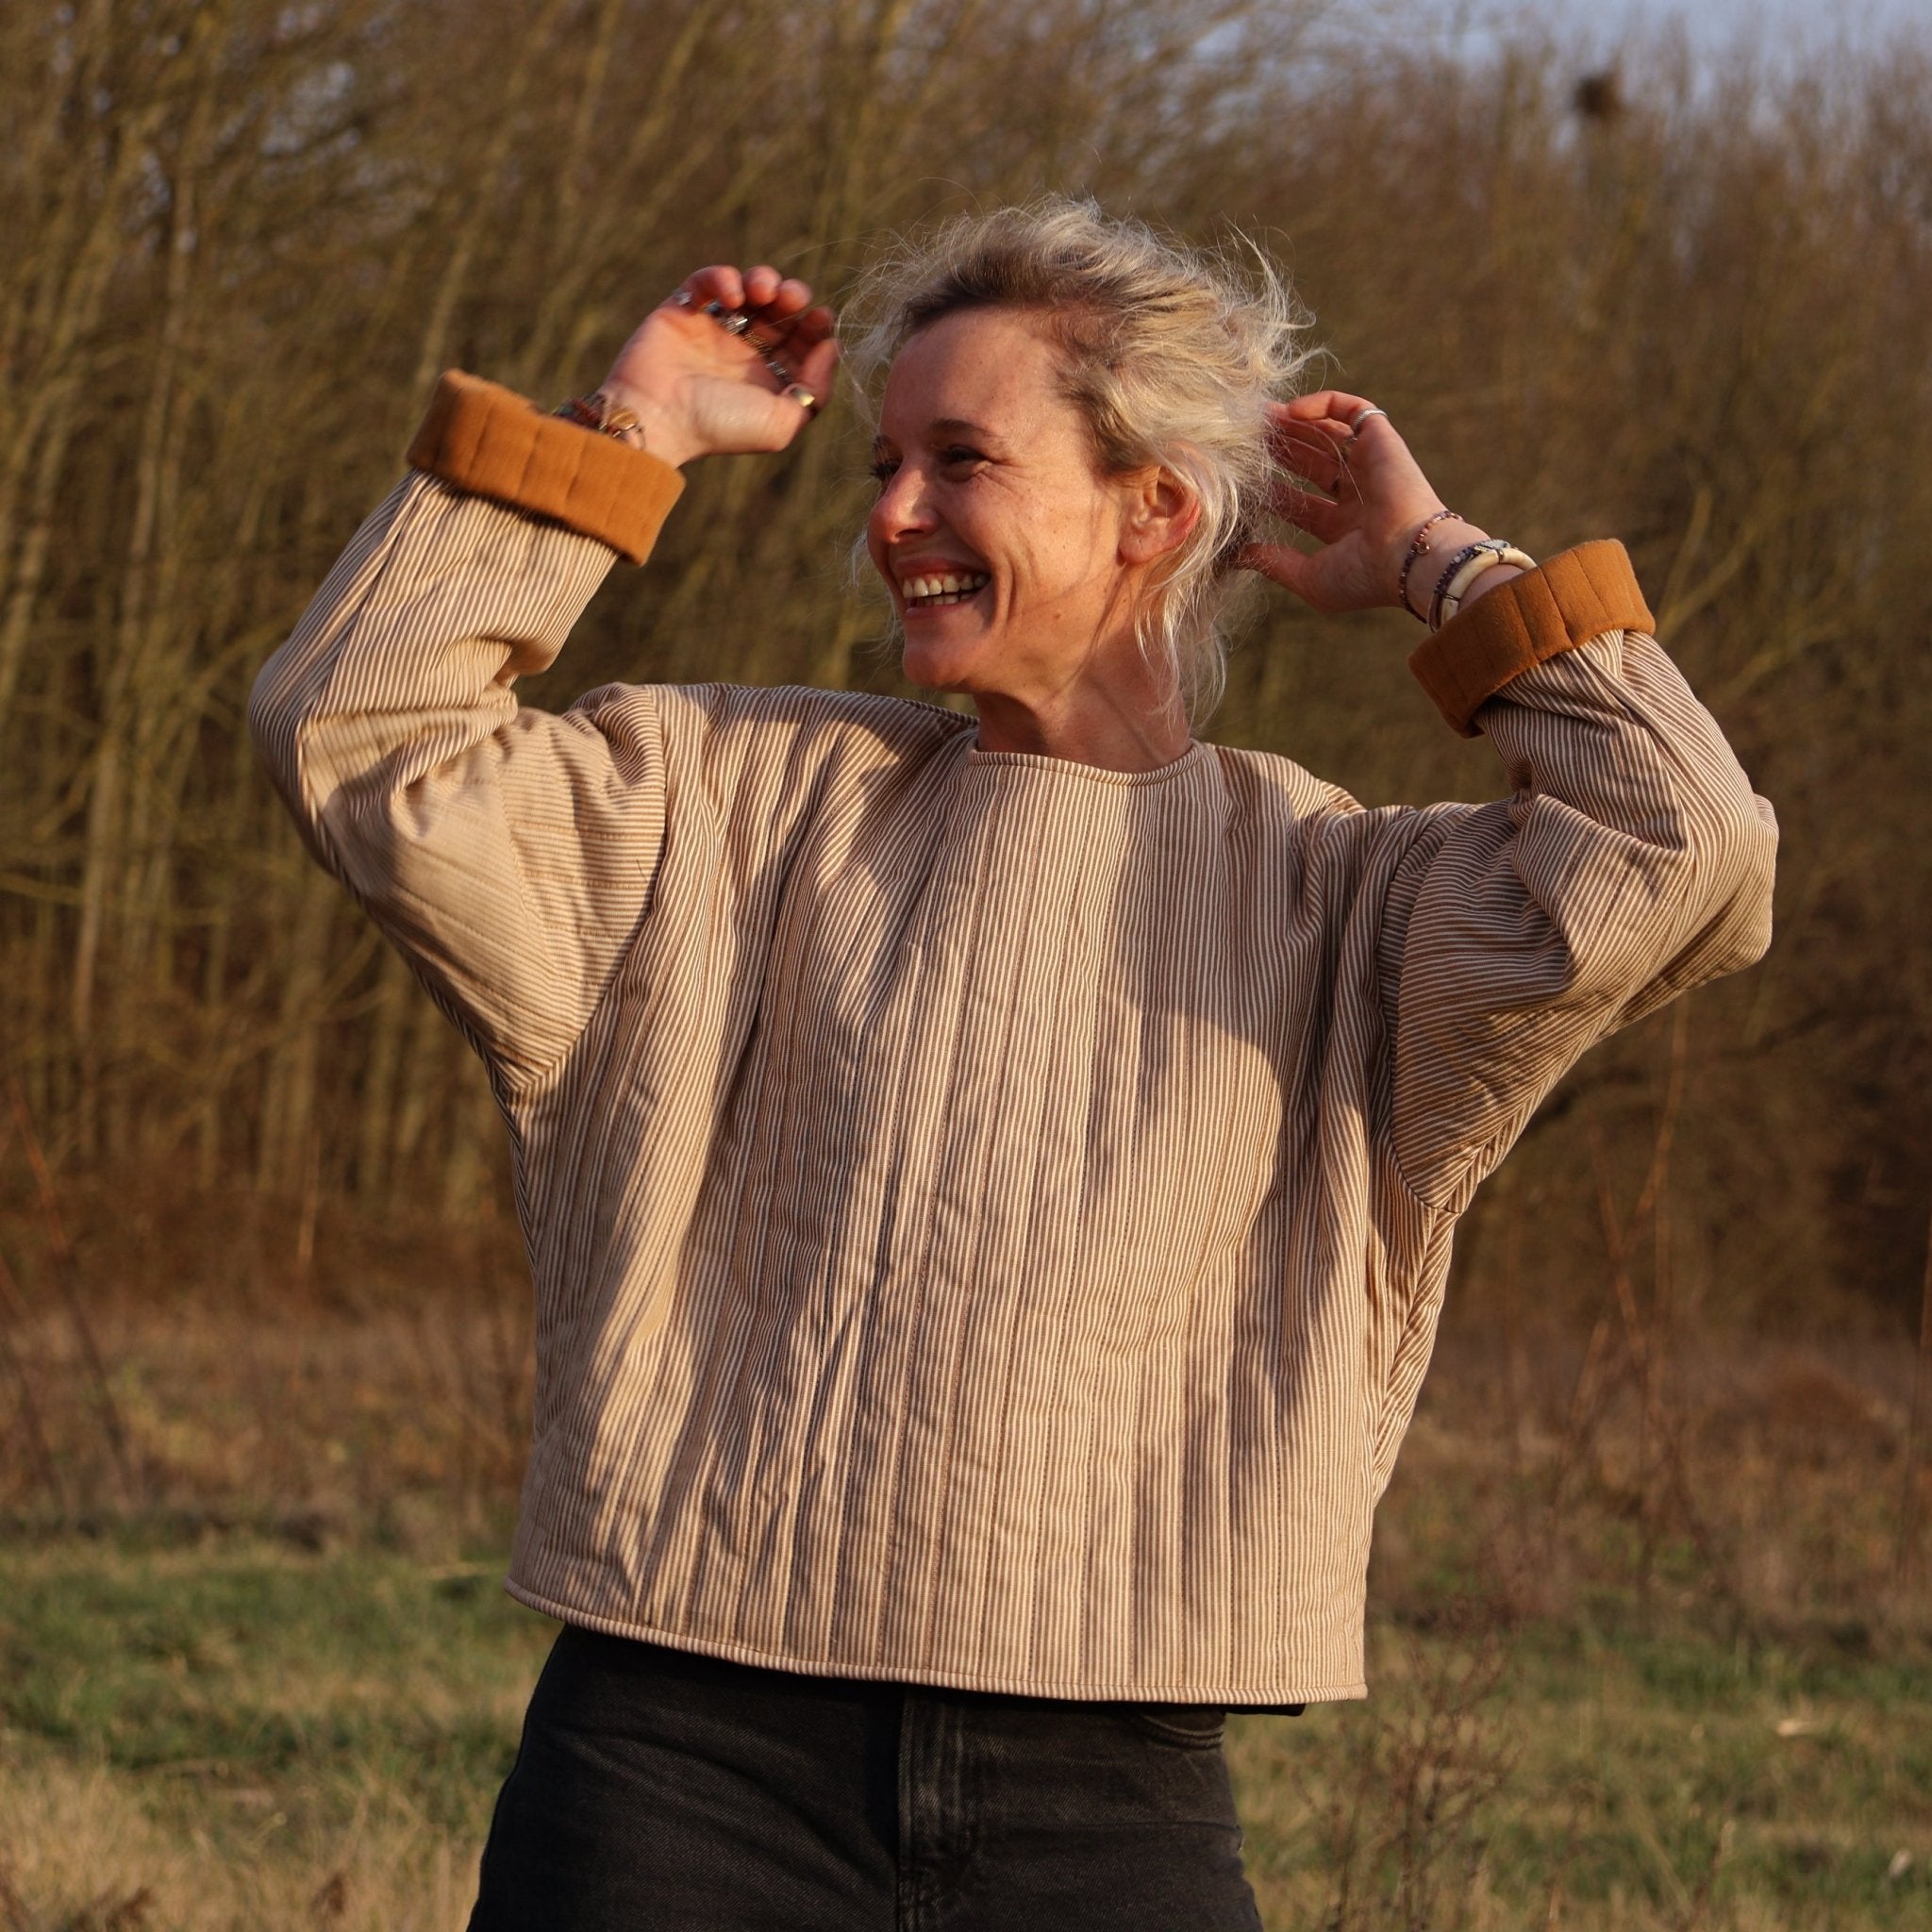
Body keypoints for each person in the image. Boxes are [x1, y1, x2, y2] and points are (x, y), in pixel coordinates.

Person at [250, 200, 1776, 1929]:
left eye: (961, 460)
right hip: (678, 1777)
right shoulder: (726, 805)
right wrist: (630, 429)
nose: (893, 513)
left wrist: (1443, 562)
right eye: (884, 463)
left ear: (1158, 509)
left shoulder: (1344, 901)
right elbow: (356, 730)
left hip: (1112, 1812)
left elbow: (1690, 846)